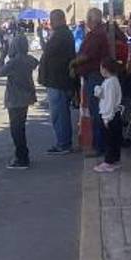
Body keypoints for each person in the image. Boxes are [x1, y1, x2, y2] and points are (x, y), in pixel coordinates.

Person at [71, 8, 111, 157]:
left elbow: (88, 55)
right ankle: (98, 145)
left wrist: (73, 63)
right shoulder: (95, 34)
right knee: (95, 111)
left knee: (97, 112)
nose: (87, 21)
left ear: (92, 19)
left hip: (95, 76)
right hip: (91, 75)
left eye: (88, 18)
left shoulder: (97, 35)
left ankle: (99, 146)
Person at [0, 30, 39, 170]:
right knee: (20, 127)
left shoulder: (14, 62)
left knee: (16, 129)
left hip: (15, 98)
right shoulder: (29, 59)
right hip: (26, 96)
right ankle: (23, 154)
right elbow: (35, 62)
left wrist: (2, 57)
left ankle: (21, 157)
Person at [39, 9, 77, 154]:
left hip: (58, 80)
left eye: (52, 19)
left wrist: (42, 38)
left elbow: (48, 50)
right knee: (60, 112)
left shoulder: (61, 34)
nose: (51, 23)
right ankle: (62, 142)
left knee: (59, 113)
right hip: (57, 79)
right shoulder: (61, 34)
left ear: (60, 19)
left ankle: (63, 143)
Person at [93, 58, 125, 173]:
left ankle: (108, 162)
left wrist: (106, 118)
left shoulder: (110, 82)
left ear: (105, 69)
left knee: (109, 140)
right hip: (113, 114)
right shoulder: (112, 80)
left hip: (109, 115)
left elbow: (109, 101)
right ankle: (114, 160)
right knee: (114, 139)